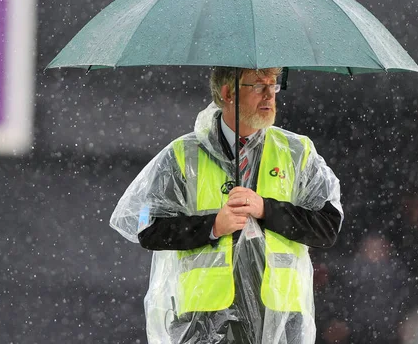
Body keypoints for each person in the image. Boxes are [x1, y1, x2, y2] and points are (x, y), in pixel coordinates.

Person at [110, 67, 343, 344]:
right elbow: (147, 229)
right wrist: (212, 226)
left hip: (278, 320)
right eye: (258, 86)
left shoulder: (297, 153)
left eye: (274, 84)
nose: (270, 94)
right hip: (202, 321)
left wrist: (267, 210)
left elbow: (327, 227)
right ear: (228, 93)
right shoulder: (183, 155)